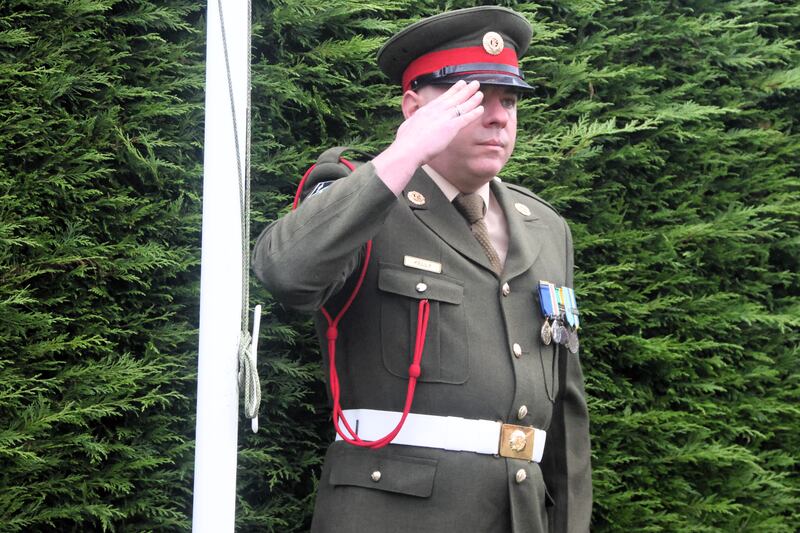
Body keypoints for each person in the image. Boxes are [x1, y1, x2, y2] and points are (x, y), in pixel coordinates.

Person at [253, 6, 592, 532]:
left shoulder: (545, 227)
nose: (499, 116)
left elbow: (566, 417)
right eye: (473, 98)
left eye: (508, 100)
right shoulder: (365, 201)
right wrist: (400, 157)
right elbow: (285, 272)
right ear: (414, 107)